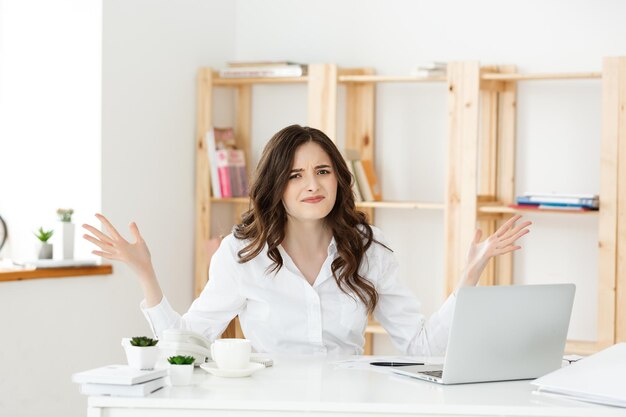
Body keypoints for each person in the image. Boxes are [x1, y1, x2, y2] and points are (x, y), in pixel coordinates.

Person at [83, 124, 531, 356]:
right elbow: (186, 346)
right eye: (295, 175)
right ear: (275, 186)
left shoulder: (368, 250)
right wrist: (147, 277)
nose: (311, 185)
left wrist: (471, 273)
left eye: (322, 171)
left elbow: (420, 348)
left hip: (352, 406)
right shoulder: (243, 256)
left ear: (338, 177)